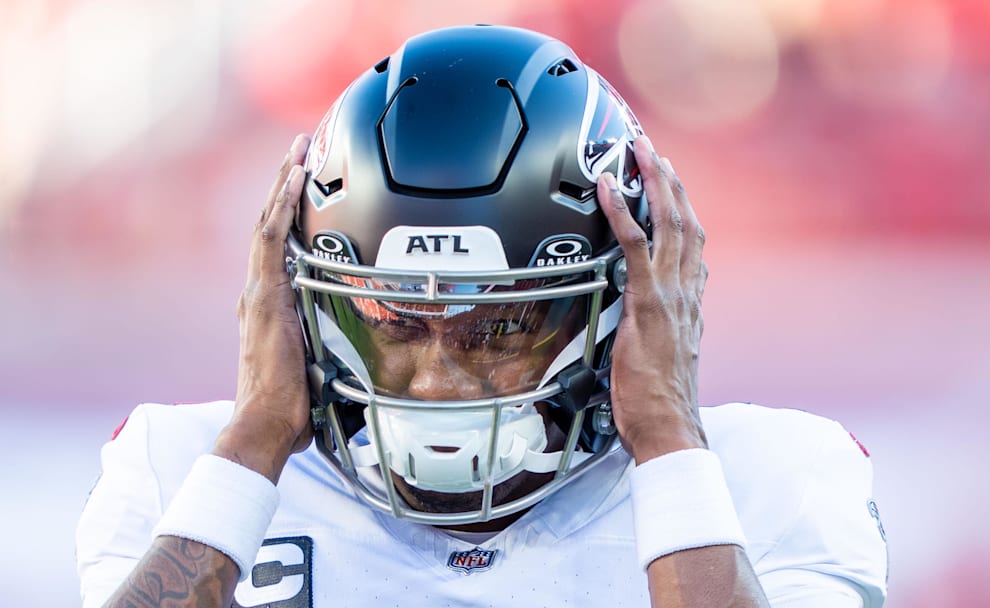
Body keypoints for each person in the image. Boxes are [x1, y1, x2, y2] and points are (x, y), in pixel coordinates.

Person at [76, 25, 888, 608]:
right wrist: (250, 449)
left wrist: (672, 445)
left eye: (497, 329)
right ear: (296, 302)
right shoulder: (180, 469)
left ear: (631, 302)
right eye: (394, 322)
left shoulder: (775, 477)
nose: (434, 384)